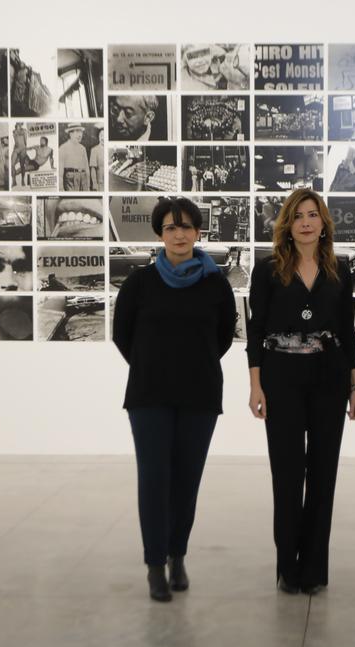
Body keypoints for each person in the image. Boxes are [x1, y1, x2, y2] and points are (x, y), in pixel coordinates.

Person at [112, 197, 236, 603]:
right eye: (170, 227)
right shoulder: (140, 283)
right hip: (149, 394)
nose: (179, 234)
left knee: (186, 482)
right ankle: (154, 566)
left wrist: (190, 364)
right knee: (154, 479)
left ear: (199, 232)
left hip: (199, 394)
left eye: (186, 227)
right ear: (159, 233)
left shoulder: (215, 283)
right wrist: (153, 364)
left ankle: (177, 556)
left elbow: (222, 337)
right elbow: (123, 336)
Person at [247, 188, 355, 595]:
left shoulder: (339, 269)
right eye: (299, 216)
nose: (307, 222)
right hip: (281, 378)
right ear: (287, 225)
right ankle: (288, 568)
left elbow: (348, 333)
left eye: (314, 215)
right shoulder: (267, 270)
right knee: (287, 472)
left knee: (323, 474)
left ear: (324, 223)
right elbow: (256, 331)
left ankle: (314, 568)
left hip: (330, 379)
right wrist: (255, 385)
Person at [59, 125, 91, 191]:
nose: (80, 135)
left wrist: (88, 186)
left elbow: (87, 168)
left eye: (81, 132)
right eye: (77, 132)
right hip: (70, 179)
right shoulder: (63, 148)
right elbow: (60, 170)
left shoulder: (83, 148)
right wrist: (60, 188)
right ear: (70, 134)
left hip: (83, 178)